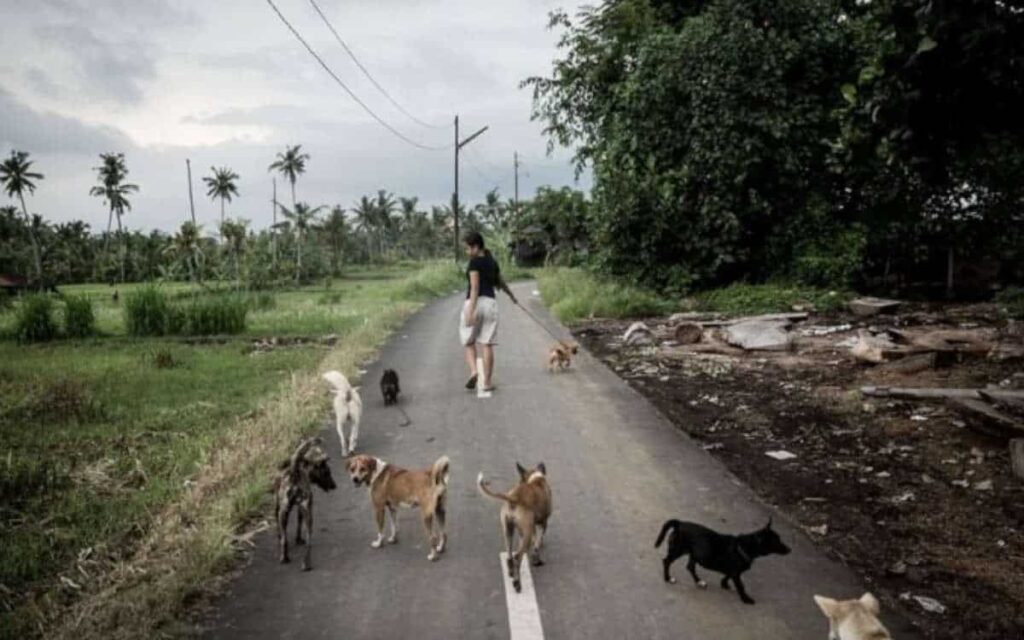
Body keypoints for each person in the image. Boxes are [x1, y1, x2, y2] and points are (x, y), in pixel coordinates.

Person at [460, 231, 518, 391]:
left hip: (475, 302)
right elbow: (501, 282)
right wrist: (512, 296)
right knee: (487, 344)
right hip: (491, 304)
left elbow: (474, 288)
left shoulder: (474, 263)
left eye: (467, 248)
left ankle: (473, 372)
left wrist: (470, 311)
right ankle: (487, 383)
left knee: (469, 342)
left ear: (475, 246)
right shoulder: (492, 261)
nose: (466, 252)